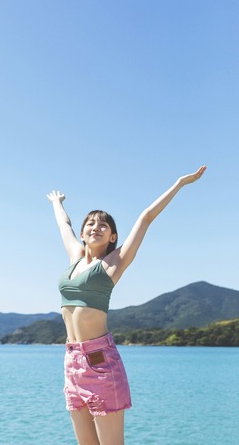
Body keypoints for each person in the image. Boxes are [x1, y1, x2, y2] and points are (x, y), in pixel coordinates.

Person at [47, 165, 206, 445]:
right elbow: (64, 225)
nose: (96, 227)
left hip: (100, 362)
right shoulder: (74, 255)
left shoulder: (113, 263)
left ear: (113, 237)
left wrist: (179, 183)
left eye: (104, 225)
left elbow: (145, 218)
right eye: (91, 223)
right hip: (71, 361)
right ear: (83, 233)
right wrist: (57, 203)